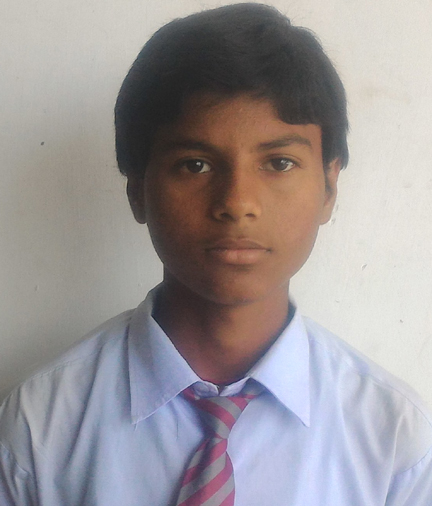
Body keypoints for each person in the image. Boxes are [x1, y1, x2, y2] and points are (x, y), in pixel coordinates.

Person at [1, 3, 431, 505]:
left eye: (279, 162)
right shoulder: (41, 426)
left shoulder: (395, 441)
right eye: (195, 164)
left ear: (329, 187)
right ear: (137, 189)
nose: (237, 202)